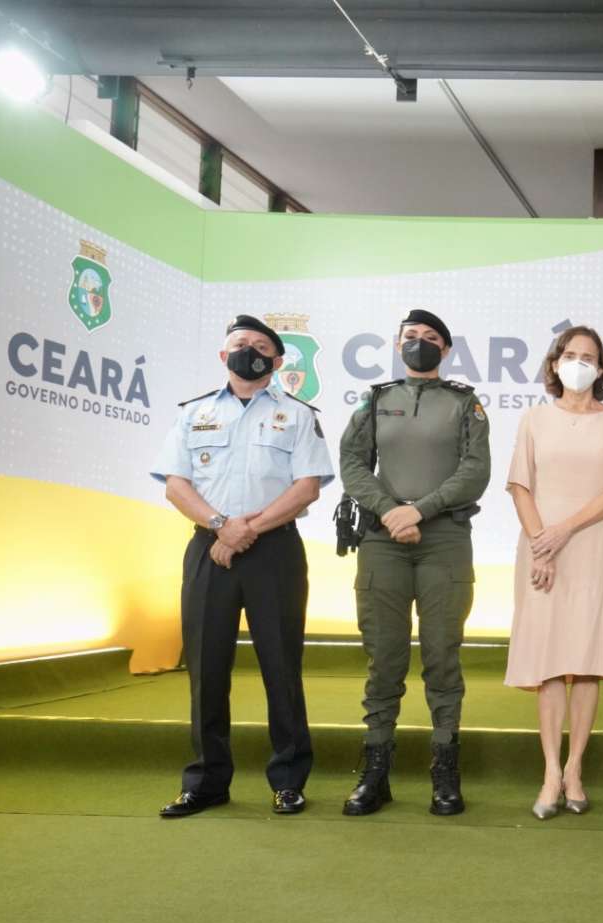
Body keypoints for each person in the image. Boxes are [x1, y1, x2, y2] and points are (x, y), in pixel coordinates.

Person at [150, 314, 334, 817]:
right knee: (206, 668)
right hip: (209, 549)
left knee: (281, 667)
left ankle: (289, 780)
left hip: (274, 552)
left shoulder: (297, 414)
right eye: (239, 343)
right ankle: (207, 781)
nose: (248, 351)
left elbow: (307, 487)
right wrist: (220, 526)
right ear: (222, 355)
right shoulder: (194, 413)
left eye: (259, 346)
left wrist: (246, 530)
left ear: (276, 361)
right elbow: (175, 484)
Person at [338, 309, 491, 817]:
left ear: (445, 350)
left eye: (429, 338)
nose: (418, 344)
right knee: (384, 658)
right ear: (396, 343)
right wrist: (389, 511)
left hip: (444, 537)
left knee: (442, 655)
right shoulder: (377, 400)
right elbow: (352, 462)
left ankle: (445, 773)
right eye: (410, 336)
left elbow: (475, 472)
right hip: (382, 540)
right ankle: (375, 774)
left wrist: (419, 510)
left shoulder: (465, 403)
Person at [504, 325, 603, 819]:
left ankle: (575, 768)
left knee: (585, 661)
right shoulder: (534, 419)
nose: (579, 363)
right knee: (549, 663)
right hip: (542, 550)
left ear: (600, 368)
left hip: (593, 545)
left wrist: (564, 530)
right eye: (570, 354)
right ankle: (549, 772)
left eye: (589, 357)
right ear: (555, 363)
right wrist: (542, 544)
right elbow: (520, 485)